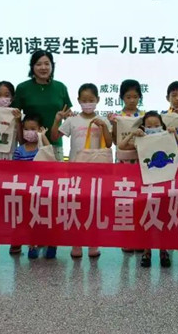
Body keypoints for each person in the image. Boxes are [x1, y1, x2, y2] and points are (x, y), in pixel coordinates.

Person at [120, 111, 178, 269]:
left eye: (156, 125)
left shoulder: (168, 137)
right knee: (147, 218)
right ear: (143, 127)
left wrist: (175, 135)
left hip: (165, 184)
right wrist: (132, 134)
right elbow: (122, 146)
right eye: (149, 126)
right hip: (146, 184)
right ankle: (147, 251)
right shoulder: (141, 138)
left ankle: (164, 251)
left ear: (162, 126)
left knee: (164, 217)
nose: (153, 128)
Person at [51, 83, 112, 259]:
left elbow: (109, 143)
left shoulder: (103, 120)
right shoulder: (72, 120)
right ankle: (76, 244)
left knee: (94, 208)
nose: (87, 103)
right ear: (78, 100)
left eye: (91, 100)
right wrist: (57, 120)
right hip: (75, 170)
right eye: (84, 100)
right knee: (76, 207)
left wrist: (104, 127)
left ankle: (93, 244)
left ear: (98, 100)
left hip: (97, 172)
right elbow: (54, 137)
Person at [13, 50, 72, 161]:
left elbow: (68, 115)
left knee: (55, 172)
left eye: (47, 64)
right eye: (39, 64)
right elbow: (14, 116)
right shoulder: (22, 88)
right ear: (32, 67)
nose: (43, 67)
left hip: (54, 145)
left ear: (52, 66)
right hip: (29, 146)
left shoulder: (60, 87)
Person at [11, 114, 50, 260]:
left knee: (45, 217)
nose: (29, 132)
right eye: (26, 129)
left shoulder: (42, 149)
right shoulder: (19, 150)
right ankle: (32, 243)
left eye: (33, 129)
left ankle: (50, 243)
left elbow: (49, 151)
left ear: (40, 129)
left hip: (43, 191)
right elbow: (15, 172)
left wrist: (43, 136)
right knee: (31, 218)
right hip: (27, 192)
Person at [109, 79, 145, 165]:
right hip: (122, 159)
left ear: (139, 97)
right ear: (122, 97)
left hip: (140, 158)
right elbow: (116, 141)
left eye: (135, 97)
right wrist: (114, 124)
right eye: (128, 97)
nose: (132, 100)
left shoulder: (144, 116)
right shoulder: (116, 117)